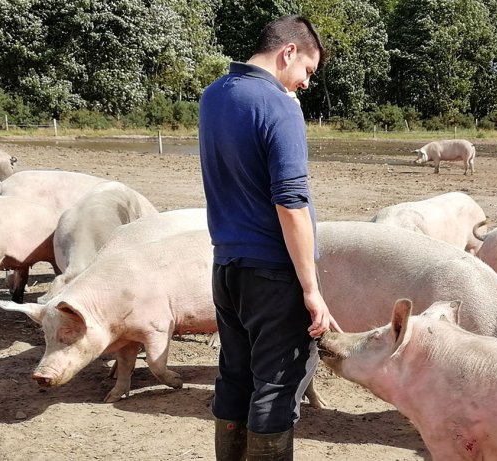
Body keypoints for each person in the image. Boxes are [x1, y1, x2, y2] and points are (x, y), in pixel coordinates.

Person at [198, 15, 341, 461]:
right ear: (288, 53)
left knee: (235, 376)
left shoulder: (214, 95)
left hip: (227, 269)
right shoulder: (277, 105)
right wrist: (312, 289)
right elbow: (291, 202)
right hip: (273, 274)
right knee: (278, 386)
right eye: (307, 72)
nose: (304, 83)